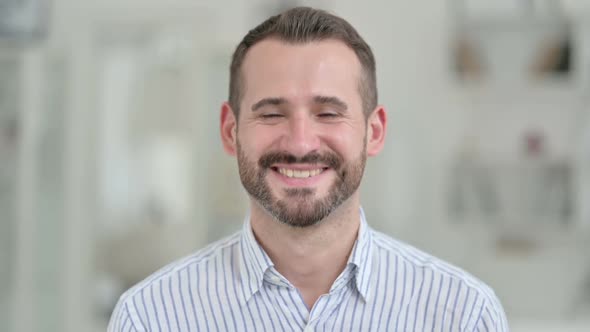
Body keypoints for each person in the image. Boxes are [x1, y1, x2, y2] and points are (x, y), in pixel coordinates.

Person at [108, 7, 509, 331]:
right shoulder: (151, 318)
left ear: (375, 131)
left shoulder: (463, 316)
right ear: (230, 132)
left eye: (329, 113)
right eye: (271, 113)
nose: (300, 143)